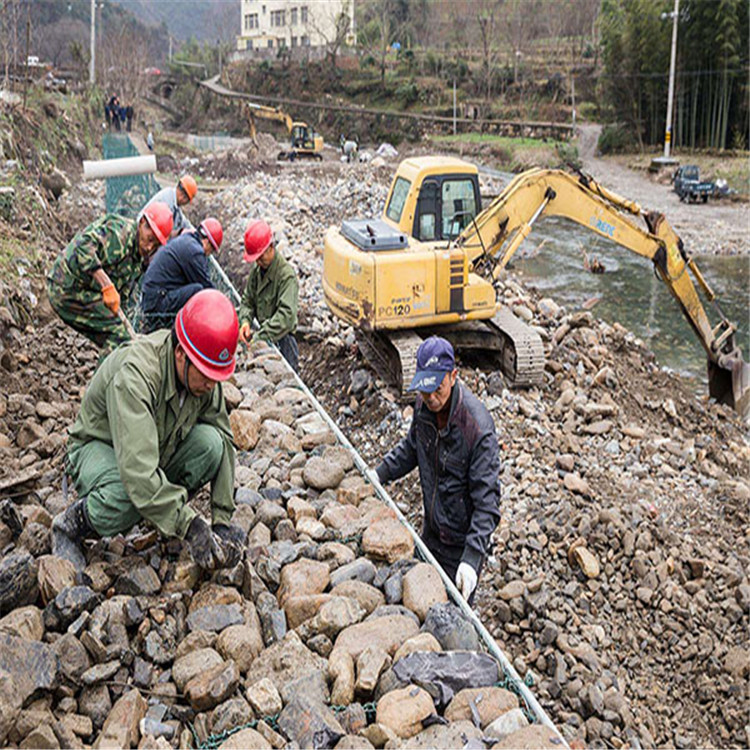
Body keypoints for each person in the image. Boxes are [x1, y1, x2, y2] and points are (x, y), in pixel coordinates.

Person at [51, 289, 245, 572]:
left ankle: (159, 510)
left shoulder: (203, 380)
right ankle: (70, 526)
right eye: (206, 375)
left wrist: (222, 522)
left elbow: (225, 439)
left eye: (218, 377)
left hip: (152, 448)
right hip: (99, 448)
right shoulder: (137, 375)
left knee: (211, 444)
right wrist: (190, 525)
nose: (211, 386)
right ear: (181, 353)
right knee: (129, 493)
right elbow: (138, 473)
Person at [372, 337, 501, 604]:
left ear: (453, 376)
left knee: (453, 617)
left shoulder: (477, 429)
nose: (430, 397)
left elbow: (487, 504)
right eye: (424, 389)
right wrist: (379, 474)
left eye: (437, 388)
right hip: (431, 534)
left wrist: (472, 559)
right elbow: (411, 449)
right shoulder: (424, 407)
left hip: (460, 547)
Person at [47, 202, 173, 356]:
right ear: (142, 223)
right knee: (119, 337)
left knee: (124, 340)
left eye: (155, 244)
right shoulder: (120, 233)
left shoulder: (138, 260)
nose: (149, 247)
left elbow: (124, 298)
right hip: (66, 287)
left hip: (85, 291)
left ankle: (112, 375)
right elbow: (83, 245)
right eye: (150, 239)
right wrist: (106, 284)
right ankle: (105, 380)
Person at [140, 218, 223, 332]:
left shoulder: (186, 240)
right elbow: (206, 286)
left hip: (153, 297)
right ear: (208, 242)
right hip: (156, 304)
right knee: (198, 291)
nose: (209, 254)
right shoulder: (194, 251)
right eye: (211, 250)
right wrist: (222, 306)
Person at [239, 219, 299, 371]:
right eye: (255, 259)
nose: (258, 262)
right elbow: (248, 300)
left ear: (271, 247)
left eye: (260, 257)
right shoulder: (257, 270)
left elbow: (286, 317)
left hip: (283, 341)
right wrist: (245, 321)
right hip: (265, 335)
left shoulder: (286, 277)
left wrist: (260, 336)